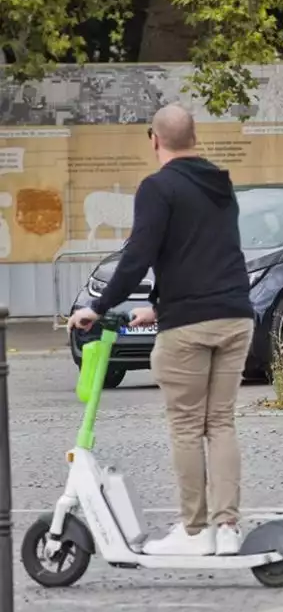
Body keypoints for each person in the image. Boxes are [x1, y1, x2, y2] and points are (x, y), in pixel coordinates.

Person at [68, 104, 255, 556]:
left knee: (188, 426)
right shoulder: (220, 184)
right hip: (235, 315)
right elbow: (203, 249)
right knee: (222, 422)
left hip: (190, 327)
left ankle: (194, 532)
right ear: (195, 137)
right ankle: (226, 529)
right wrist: (156, 305)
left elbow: (139, 256)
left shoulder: (157, 187)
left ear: (154, 139)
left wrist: (98, 305)